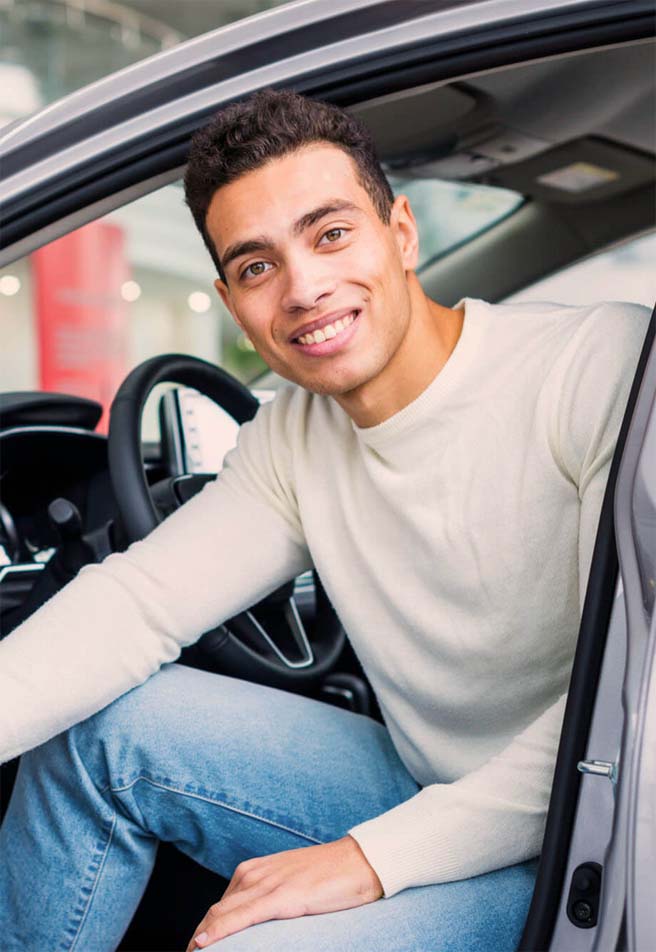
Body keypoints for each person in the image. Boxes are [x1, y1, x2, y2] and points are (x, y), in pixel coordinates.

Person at [0, 89, 649, 952]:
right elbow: (137, 605)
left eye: (331, 232)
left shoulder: (597, 369)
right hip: (430, 792)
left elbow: (628, 715)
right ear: (234, 304)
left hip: (593, 841)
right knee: (104, 736)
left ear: (403, 233)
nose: (304, 286)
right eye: (258, 265)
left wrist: (369, 860)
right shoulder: (296, 438)